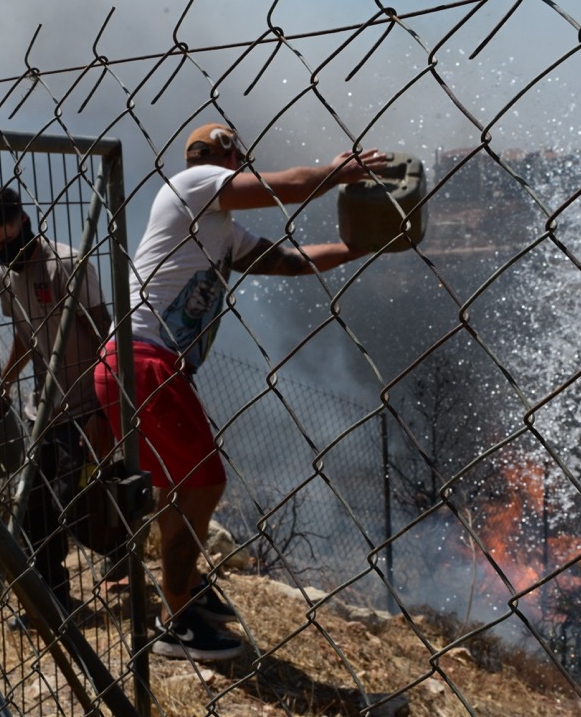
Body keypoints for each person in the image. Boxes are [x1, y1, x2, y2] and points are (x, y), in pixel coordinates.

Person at [94, 123, 389, 661]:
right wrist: (341, 170)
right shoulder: (193, 184)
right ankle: (175, 621)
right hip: (145, 360)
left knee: (180, 489)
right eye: (239, 158)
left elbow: (291, 261)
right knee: (205, 485)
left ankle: (179, 595)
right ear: (226, 158)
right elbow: (289, 186)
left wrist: (355, 248)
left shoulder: (220, 231)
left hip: (131, 364)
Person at [0, 185, 113, 625]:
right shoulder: (5, 278)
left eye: (5, 239)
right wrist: (6, 383)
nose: (2, 251)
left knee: (76, 501)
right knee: (34, 504)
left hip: (85, 403)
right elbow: (25, 333)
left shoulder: (66, 265)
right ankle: (51, 602)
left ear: (22, 222)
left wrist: (104, 412)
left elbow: (104, 331)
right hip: (42, 410)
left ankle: (123, 559)